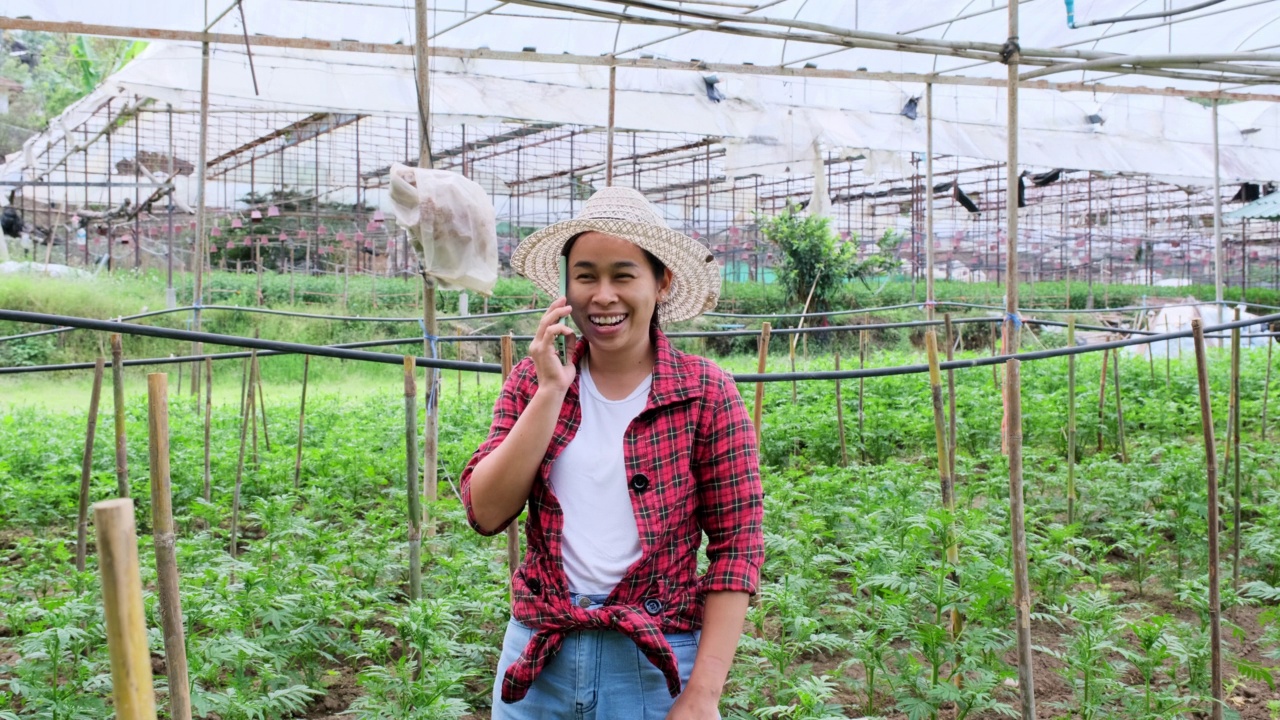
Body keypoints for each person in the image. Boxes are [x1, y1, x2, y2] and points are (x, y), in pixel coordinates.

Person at [461, 187, 764, 719]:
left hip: (653, 662)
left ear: (660, 282)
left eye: (623, 275)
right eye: (585, 276)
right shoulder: (533, 382)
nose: (603, 295)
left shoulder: (705, 392)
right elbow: (486, 511)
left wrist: (704, 692)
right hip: (541, 653)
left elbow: (738, 546)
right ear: (565, 286)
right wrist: (551, 392)